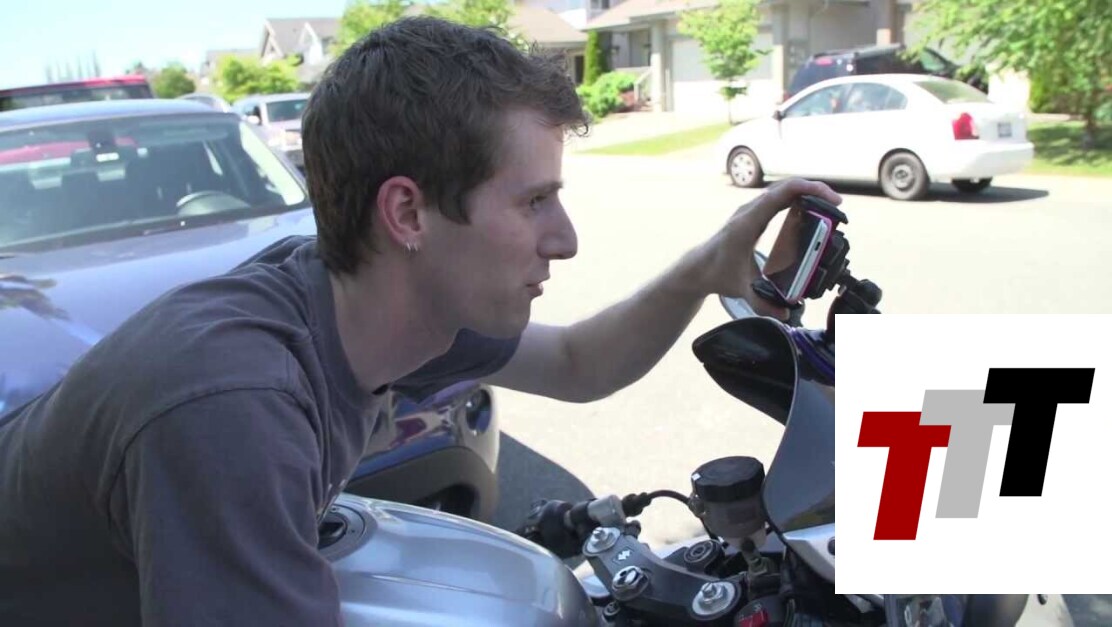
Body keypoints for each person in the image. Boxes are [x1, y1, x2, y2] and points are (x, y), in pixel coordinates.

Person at [0, 16, 842, 626]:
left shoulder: (375, 300)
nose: (566, 239)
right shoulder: (232, 405)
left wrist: (704, 267)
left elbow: (579, 363)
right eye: (534, 201)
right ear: (407, 213)